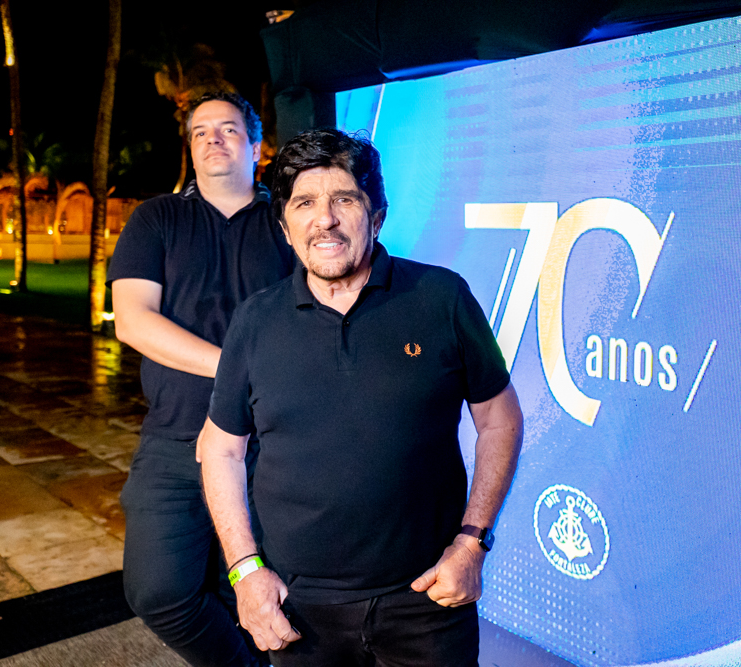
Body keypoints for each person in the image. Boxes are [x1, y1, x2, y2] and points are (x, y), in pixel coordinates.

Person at [197, 128, 524, 666]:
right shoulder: (254, 321)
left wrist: (472, 543)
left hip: (427, 598)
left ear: (377, 217)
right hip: (298, 607)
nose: (324, 220)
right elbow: (221, 449)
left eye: (345, 200)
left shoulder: (442, 297)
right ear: (284, 227)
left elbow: (500, 421)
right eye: (304, 203)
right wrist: (244, 571)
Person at [108, 91, 293, 667]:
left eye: (229, 129)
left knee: (274, 593)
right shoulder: (157, 218)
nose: (213, 138)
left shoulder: (289, 219)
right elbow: (133, 320)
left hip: (273, 444)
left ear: (257, 147)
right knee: (158, 591)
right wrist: (232, 368)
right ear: (189, 148)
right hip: (176, 439)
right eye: (200, 131)